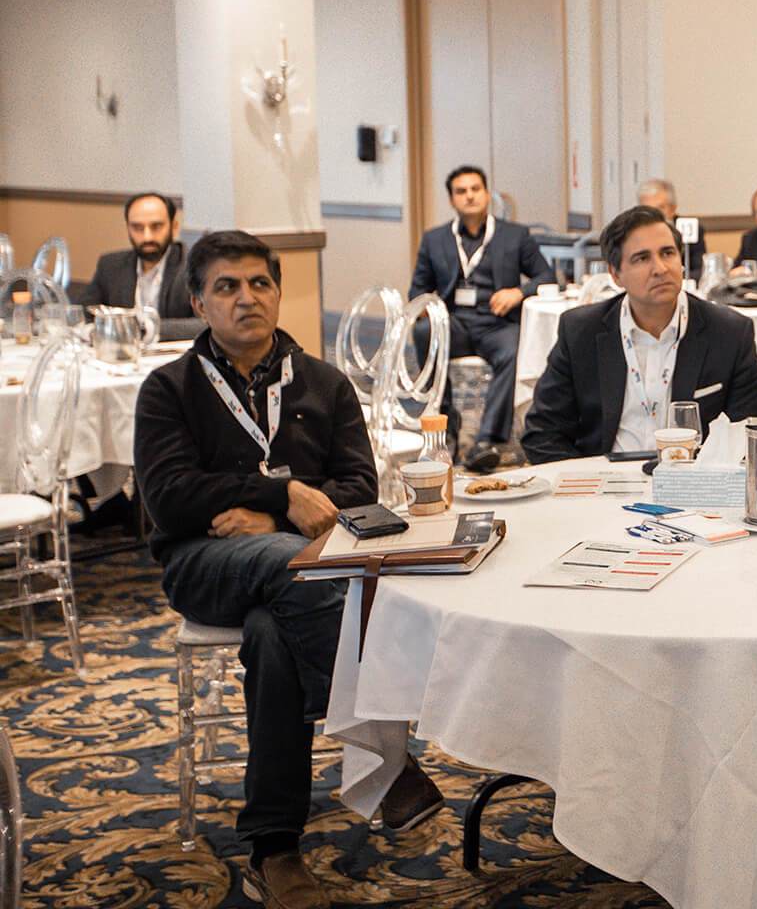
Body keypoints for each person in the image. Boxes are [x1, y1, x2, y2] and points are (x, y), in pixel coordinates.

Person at [135, 231, 441, 909]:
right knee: (287, 560)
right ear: (198, 303)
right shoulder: (169, 389)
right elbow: (170, 498)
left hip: (304, 570)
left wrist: (268, 513)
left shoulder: (324, 383)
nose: (247, 298)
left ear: (278, 293)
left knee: (274, 633)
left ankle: (274, 846)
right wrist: (284, 496)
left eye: (260, 284)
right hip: (202, 564)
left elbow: (359, 490)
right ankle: (382, 754)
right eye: (227, 287)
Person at [521, 206, 757, 462]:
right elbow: (542, 434)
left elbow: (753, 435)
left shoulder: (729, 333)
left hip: (695, 479)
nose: (660, 268)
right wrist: (582, 480)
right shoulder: (581, 332)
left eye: (668, 253)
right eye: (642, 258)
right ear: (615, 274)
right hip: (602, 476)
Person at [408, 165, 551, 473]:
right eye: (461, 191)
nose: (470, 196)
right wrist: (426, 307)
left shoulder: (514, 235)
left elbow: (547, 276)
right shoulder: (435, 239)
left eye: (476, 189)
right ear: (451, 199)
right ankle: (446, 426)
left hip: (497, 323)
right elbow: (418, 289)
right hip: (454, 323)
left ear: (487, 194)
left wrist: (518, 292)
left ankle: (488, 441)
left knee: (513, 350)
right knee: (423, 332)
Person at [74, 191, 204, 339]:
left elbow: (207, 323)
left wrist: (145, 329)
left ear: (174, 227)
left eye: (156, 226)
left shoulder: (195, 266)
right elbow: (82, 314)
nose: (147, 236)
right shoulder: (110, 265)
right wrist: (94, 332)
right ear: (128, 228)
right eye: (137, 227)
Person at [637, 177, 708, 281]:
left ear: (673, 209)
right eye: (646, 209)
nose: (653, 215)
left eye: (660, 208)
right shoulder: (632, 235)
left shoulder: (691, 230)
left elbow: (700, 270)